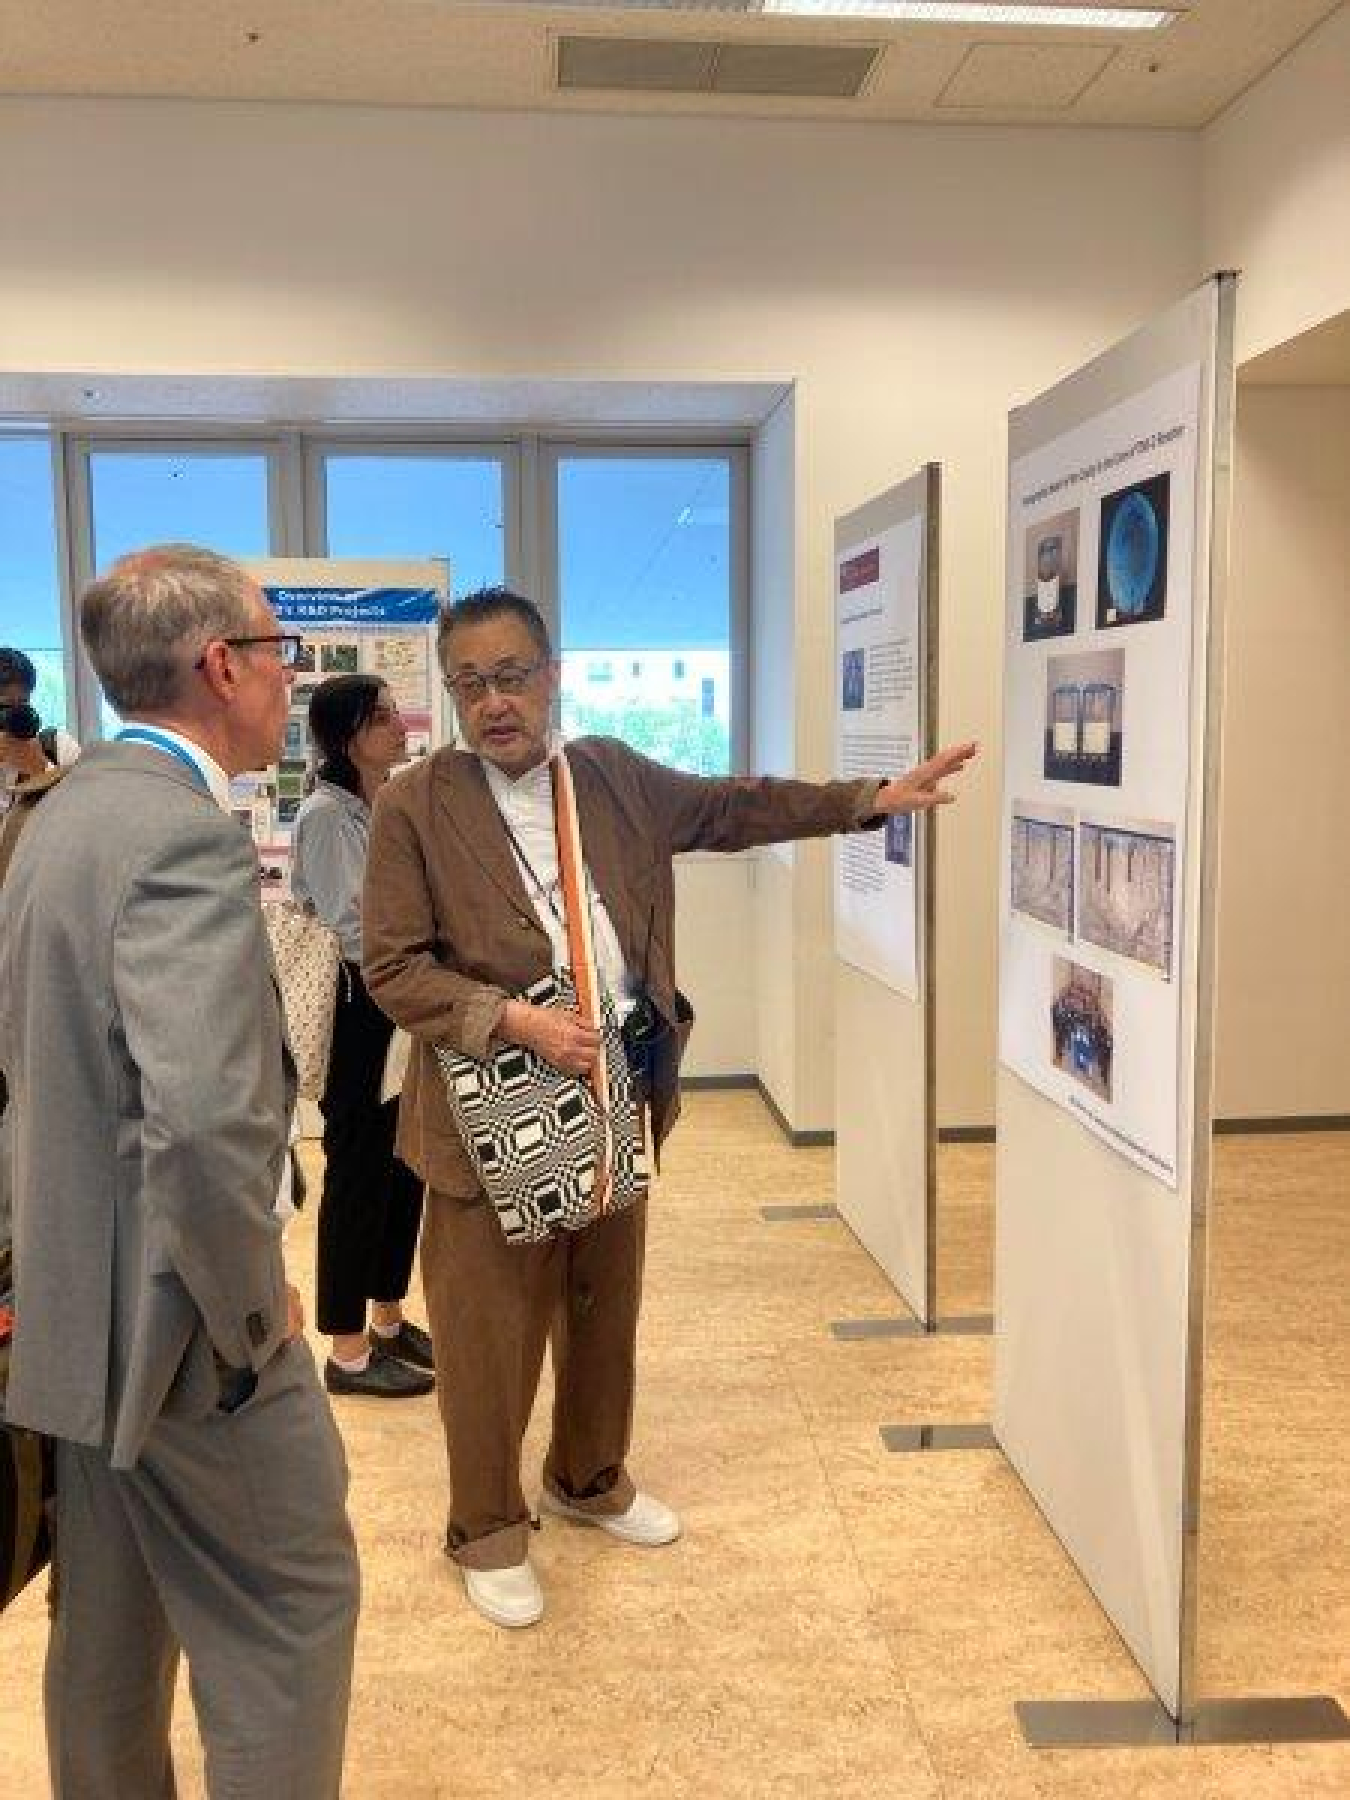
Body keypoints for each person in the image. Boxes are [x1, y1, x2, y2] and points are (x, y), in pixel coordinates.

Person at [363, 585, 977, 1630]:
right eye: (470, 684)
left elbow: (733, 807)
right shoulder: (415, 804)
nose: (493, 702)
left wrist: (869, 797)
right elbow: (392, 967)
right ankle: (488, 1528)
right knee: (488, 1333)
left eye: (511, 676)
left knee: (605, 1310)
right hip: (484, 1122)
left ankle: (590, 1476)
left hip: (613, 1097)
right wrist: (514, 1020)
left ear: (551, 677)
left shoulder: (607, 774)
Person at [0, 546, 360, 1798]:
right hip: (184, 1332)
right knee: (290, 1616)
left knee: (110, 1623)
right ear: (223, 667)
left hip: (72, 1311)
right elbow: (204, 1126)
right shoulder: (180, 840)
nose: (286, 678)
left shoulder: (54, 818)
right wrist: (252, 1316)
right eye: (278, 652)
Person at [291, 674, 435, 1400]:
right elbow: (355, 923)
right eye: (379, 717)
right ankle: (347, 1352)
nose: (397, 726)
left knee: (404, 1165)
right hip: (360, 1008)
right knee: (355, 1173)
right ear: (347, 733)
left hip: (400, 1000)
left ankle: (388, 1319)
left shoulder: (387, 802)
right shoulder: (325, 815)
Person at [0, 646, 79, 819]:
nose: (13, 718)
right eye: (4, 707)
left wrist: (41, 770)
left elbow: (87, 814)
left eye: (22, 705)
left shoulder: (58, 748)